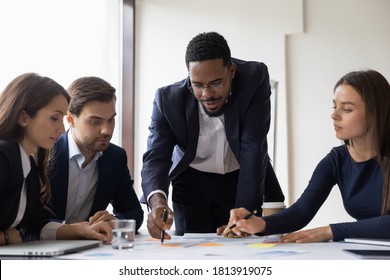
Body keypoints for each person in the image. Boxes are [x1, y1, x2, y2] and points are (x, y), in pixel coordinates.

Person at [141, 31, 284, 240]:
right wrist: (157, 203)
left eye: (216, 83)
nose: (207, 94)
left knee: (243, 247)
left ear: (232, 71)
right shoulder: (167, 100)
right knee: (192, 249)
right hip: (190, 182)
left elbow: (253, 146)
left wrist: (244, 212)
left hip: (242, 178)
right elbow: (156, 157)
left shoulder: (254, 78)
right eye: (198, 85)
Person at [224, 69, 390, 242]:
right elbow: (301, 212)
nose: (334, 115)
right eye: (335, 107)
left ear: (375, 113)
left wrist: (331, 231)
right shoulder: (335, 161)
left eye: (347, 109)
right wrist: (260, 224)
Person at [0, 73, 112, 245]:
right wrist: (6, 237)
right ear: (23, 117)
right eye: (54, 118)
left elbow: (33, 224)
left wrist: (80, 230)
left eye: (61, 119)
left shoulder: (28, 163)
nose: (61, 129)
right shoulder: (4, 155)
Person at [47, 76, 144, 231]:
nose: (106, 130)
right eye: (95, 122)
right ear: (71, 119)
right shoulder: (45, 154)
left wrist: (114, 222)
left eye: (111, 120)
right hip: (45, 247)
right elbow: (32, 220)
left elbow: (133, 212)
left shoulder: (115, 157)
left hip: (91, 250)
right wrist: (71, 231)